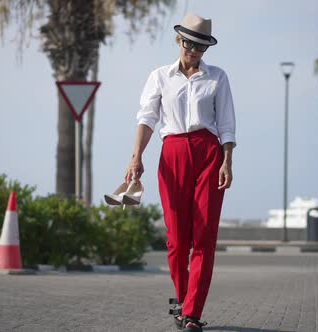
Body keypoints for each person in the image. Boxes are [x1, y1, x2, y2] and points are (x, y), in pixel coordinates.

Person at [124, 13, 236, 332]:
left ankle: (191, 313)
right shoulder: (160, 76)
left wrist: (227, 161)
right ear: (178, 40)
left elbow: (226, 124)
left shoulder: (218, 78)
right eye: (190, 44)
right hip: (172, 152)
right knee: (176, 239)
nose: (194, 51)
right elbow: (146, 119)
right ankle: (182, 299)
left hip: (209, 153)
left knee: (203, 235)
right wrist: (136, 158)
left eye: (201, 46)